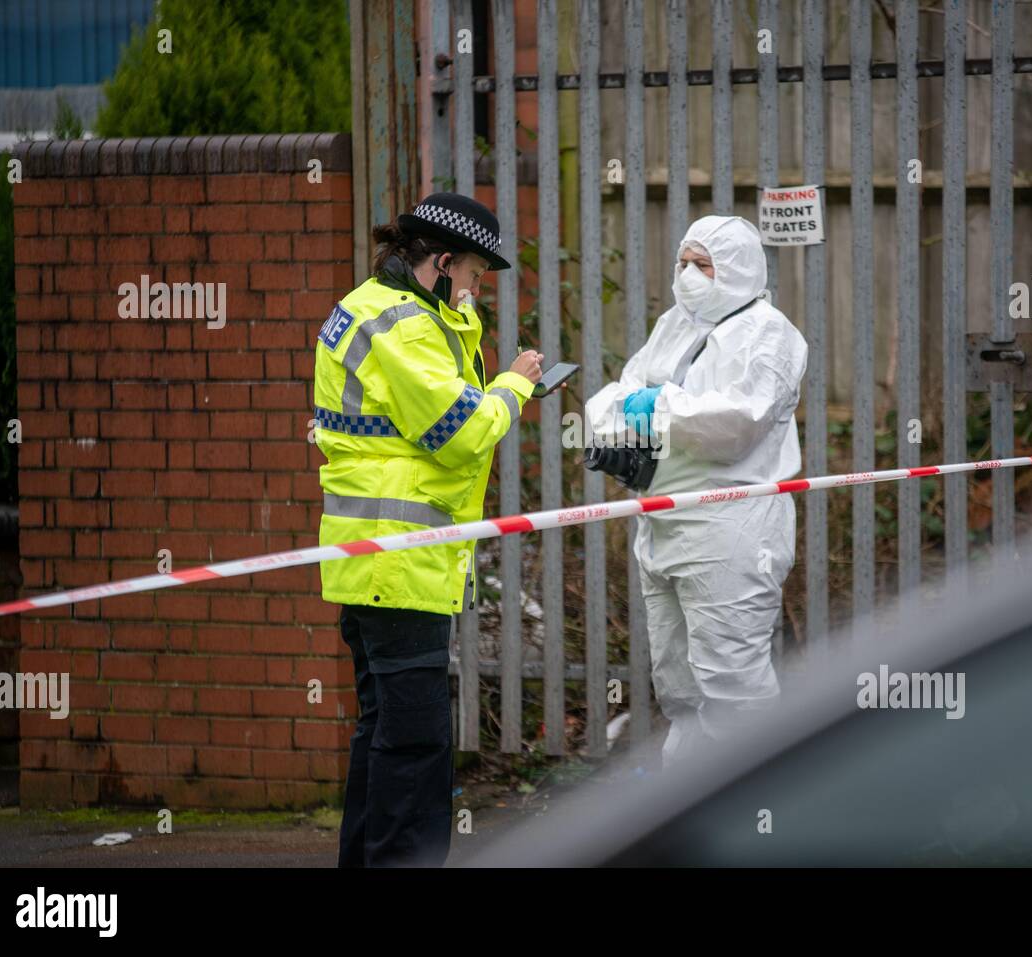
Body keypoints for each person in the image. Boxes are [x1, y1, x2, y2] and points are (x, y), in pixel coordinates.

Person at [313, 192, 543, 866]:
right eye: (472, 275)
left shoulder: (371, 305)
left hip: (373, 565)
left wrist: (462, 320)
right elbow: (461, 433)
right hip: (402, 568)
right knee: (414, 746)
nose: (476, 290)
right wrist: (515, 386)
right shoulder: (407, 327)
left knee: (382, 732)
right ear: (440, 262)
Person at [586, 215, 808, 767]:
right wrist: (645, 407)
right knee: (679, 683)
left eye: (702, 264)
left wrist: (657, 407)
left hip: (730, 526)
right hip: (662, 523)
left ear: (736, 269)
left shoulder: (770, 333)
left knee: (733, 683)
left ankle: (756, 810)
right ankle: (687, 796)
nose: (688, 274)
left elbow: (737, 423)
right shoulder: (676, 323)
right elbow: (613, 399)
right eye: (683, 262)